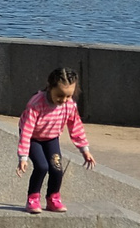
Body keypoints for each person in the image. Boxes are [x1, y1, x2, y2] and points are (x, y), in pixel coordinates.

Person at [19, 67, 96, 214]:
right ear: (49, 87)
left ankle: (53, 198)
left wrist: (84, 149)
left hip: (51, 138)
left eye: (68, 96)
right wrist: (23, 157)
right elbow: (26, 130)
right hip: (33, 138)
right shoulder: (36, 104)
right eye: (59, 96)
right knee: (42, 166)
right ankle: (33, 198)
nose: (64, 100)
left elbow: (76, 127)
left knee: (56, 168)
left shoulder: (70, 105)